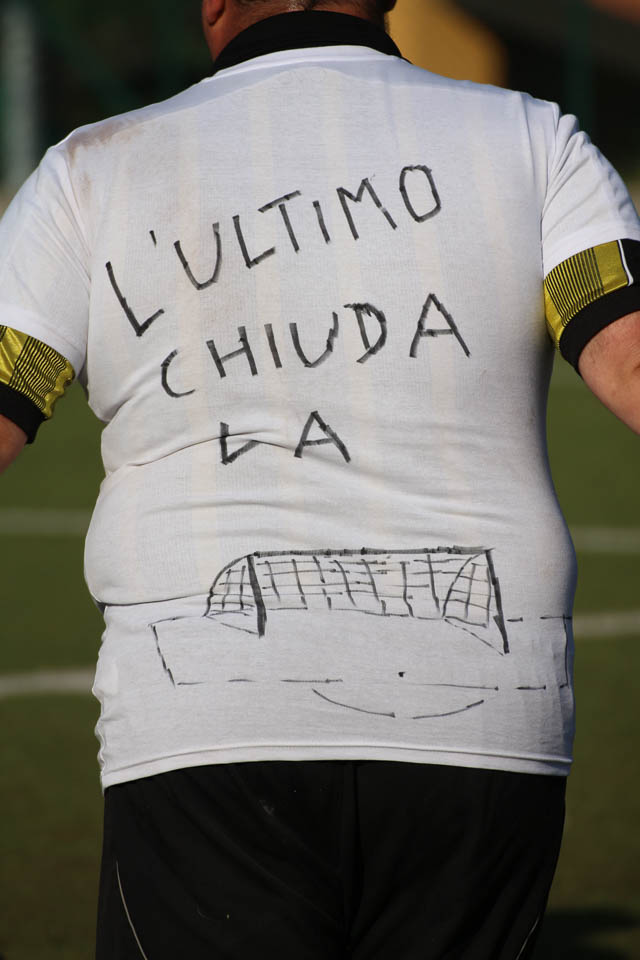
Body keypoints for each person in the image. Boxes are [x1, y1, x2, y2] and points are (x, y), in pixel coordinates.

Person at [1, 0, 639, 956]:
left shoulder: (92, 166)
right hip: (487, 713)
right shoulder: (532, 138)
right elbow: (630, 363)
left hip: (204, 716)